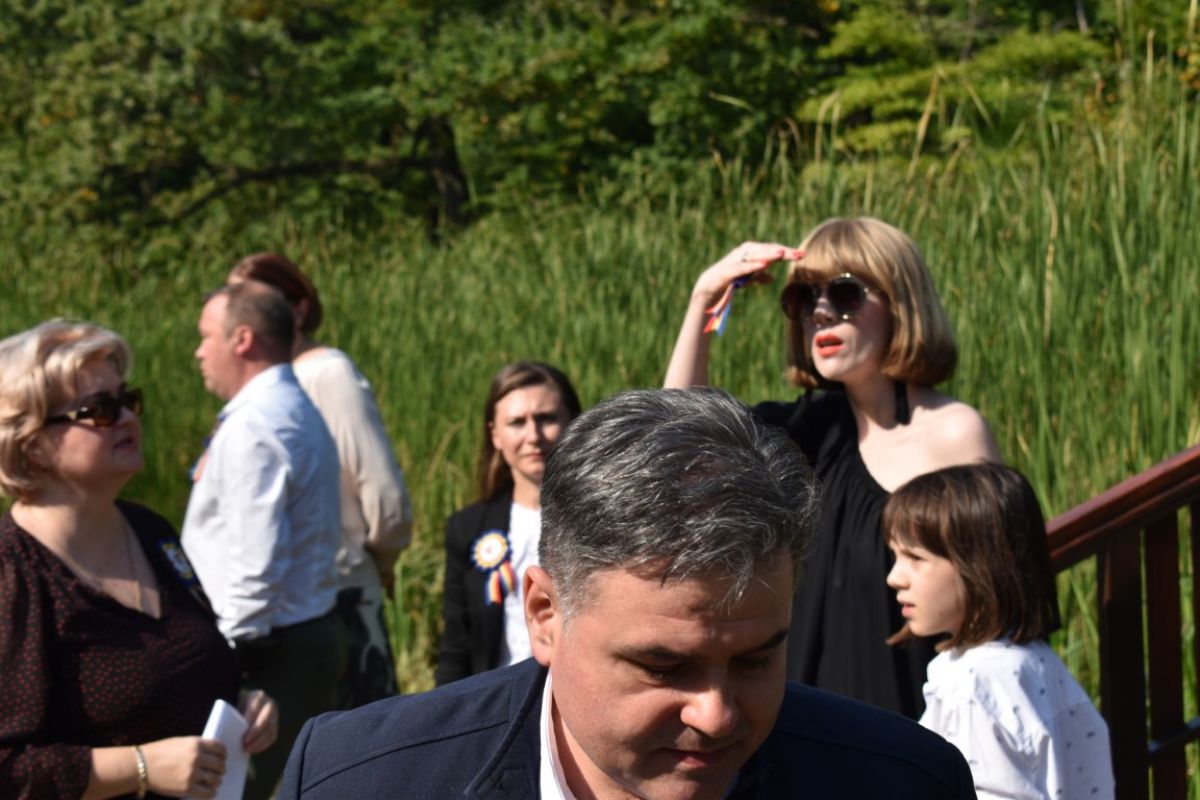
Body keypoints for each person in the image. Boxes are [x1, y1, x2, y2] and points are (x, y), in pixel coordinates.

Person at [280, 388, 978, 799]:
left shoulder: (904, 784)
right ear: (545, 615)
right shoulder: (357, 781)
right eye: (663, 666)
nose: (716, 714)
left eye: (755, 659)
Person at [664, 216, 1000, 718]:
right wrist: (704, 301)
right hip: (801, 719)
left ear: (900, 302)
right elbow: (675, 442)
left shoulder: (955, 434)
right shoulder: (800, 434)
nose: (820, 312)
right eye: (803, 298)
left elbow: (994, 596)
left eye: (844, 294)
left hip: (915, 717)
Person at [0, 320, 277, 800]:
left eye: (128, 400)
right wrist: (141, 767)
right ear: (34, 445)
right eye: (100, 410)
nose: (128, 417)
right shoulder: (13, 570)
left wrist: (243, 707)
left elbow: (188, 664)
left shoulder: (150, 531)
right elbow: (8, 767)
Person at [181, 283, 346, 800]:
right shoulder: (287, 407)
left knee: (235, 793)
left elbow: (255, 566)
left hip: (267, 651)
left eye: (206, 336)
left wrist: (226, 662)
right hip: (294, 638)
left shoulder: (257, 423)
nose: (198, 351)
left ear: (243, 339)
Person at [228, 252, 414, 707]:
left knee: (364, 739)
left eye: (256, 300)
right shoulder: (258, 389)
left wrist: (382, 560)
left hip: (343, 593)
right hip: (283, 610)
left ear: (298, 309)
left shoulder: (328, 374)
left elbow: (382, 493)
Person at [884, 463, 1115, 799]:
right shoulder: (1037, 663)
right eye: (895, 556)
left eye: (915, 558)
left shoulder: (972, 686)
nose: (894, 577)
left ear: (980, 566)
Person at [434, 361, 581, 685]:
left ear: (573, 422)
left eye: (546, 418)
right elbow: (456, 647)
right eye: (517, 422)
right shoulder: (467, 528)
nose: (533, 436)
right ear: (495, 435)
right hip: (500, 698)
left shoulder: (600, 517)